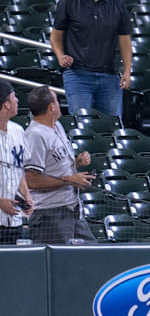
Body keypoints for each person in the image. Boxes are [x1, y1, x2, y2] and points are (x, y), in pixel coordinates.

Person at [50, 0, 132, 117]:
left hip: (110, 76)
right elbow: (55, 36)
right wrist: (60, 56)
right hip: (77, 75)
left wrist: (127, 70)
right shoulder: (69, 2)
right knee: (82, 126)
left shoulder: (117, 3)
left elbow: (125, 40)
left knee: (112, 127)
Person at [23, 86, 96, 244]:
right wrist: (70, 180)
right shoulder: (35, 135)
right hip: (49, 215)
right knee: (61, 266)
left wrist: (77, 161)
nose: (60, 103)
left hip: (71, 209)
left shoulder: (57, 126)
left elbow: (54, 165)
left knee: (92, 257)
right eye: (57, 99)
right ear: (51, 107)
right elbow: (31, 180)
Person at [0, 81, 33, 245]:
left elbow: (18, 170)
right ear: (6, 104)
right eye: (14, 97)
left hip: (14, 220)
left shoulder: (18, 131)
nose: (17, 101)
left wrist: (26, 195)